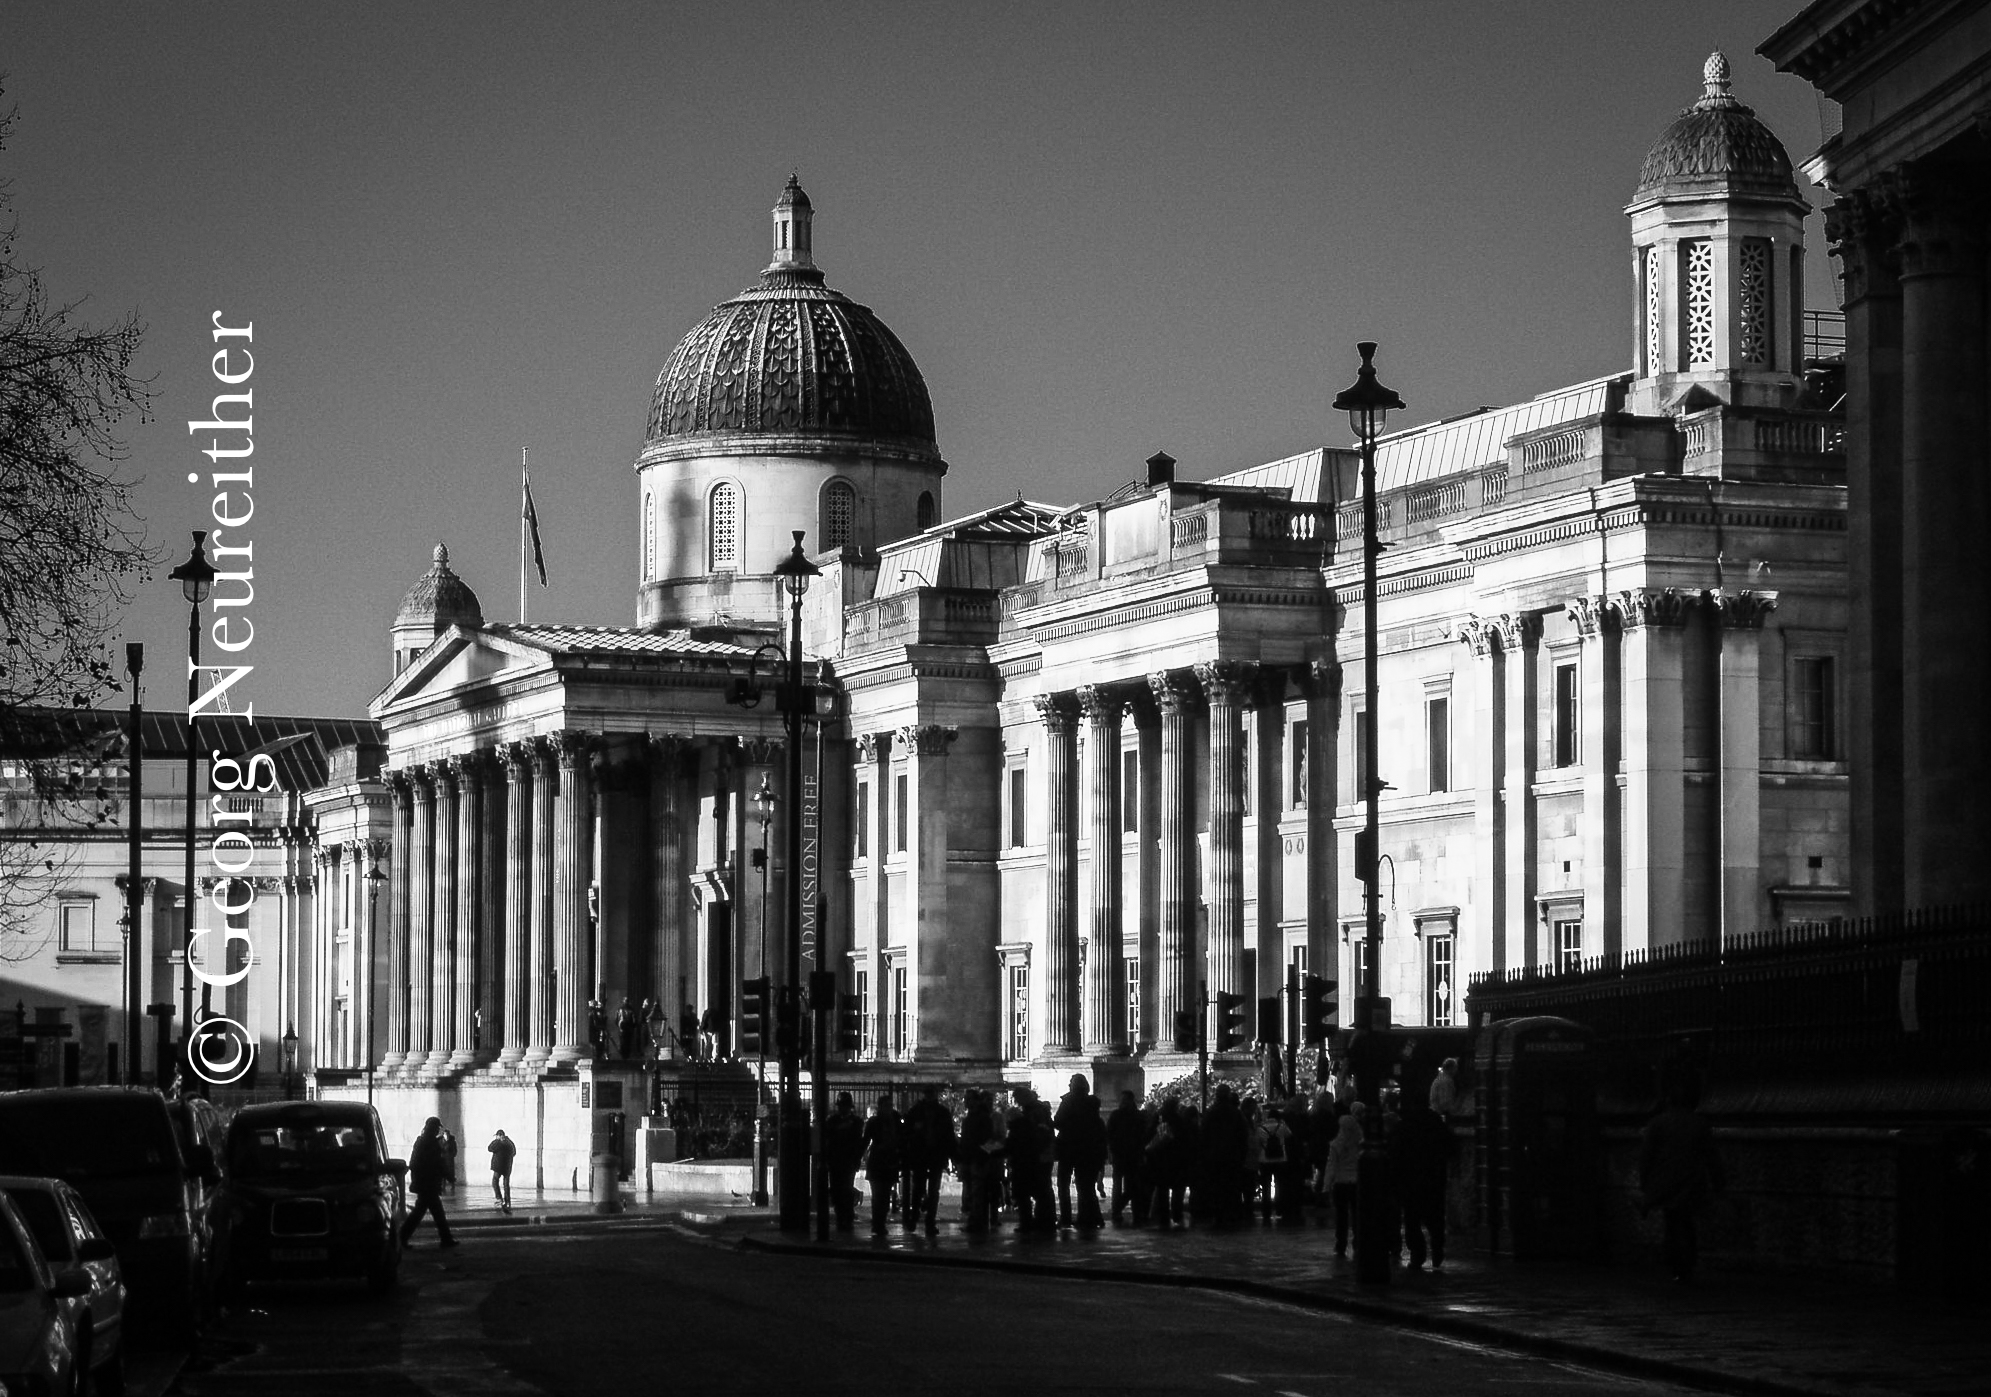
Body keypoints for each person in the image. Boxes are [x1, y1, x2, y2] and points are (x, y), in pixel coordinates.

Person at [1640, 1081, 1724, 1282]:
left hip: (1666, 1181)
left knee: (1672, 1221)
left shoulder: (1658, 1124)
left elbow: (1647, 1157)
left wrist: (1646, 1183)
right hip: (1692, 1180)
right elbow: (1712, 1157)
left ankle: (1676, 1263)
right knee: (1686, 1221)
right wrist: (1719, 1182)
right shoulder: (1700, 1124)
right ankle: (1687, 1263)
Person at [1392, 1098, 1449, 1271]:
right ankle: (1437, 1249)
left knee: (1412, 1218)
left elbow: (1397, 1152)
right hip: (1434, 1176)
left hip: (1411, 1178)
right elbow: (1448, 1146)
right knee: (1435, 1217)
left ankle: (1418, 1253)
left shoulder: (1405, 1125)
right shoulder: (1436, 1122)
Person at [1052, 1073, 1105, 1229]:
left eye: (1070, 1083)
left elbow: (1058, 1122)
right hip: (1087, 1150)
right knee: (1086, 1186)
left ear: (1074, 1086)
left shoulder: (1068, 1102)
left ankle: (1067, 1218)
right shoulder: (1092, 1105)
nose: (1068, 1085)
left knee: (1063, 1185)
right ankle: (1091, 1217)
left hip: (1068, 1148)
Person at [902, 1084, 956, 1233]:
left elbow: (948, 1136)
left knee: (929, 1190)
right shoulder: (924, 1112)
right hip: (924, 1154)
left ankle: (925, 1220)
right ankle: (920, 1219)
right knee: (922, 1188)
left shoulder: (936, 1112)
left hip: (931, 1155)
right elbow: (907, 1132)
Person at [401, 1117, 458, 1247]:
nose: (438, 1130)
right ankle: (446, 1239)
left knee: (427, 1213)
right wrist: (449, 1176)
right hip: (428, 1184)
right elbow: (437, 1164)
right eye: (437, 1127)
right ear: (433, 1128)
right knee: (432, 1213)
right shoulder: (430, 1143)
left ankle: (446, 1239)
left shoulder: (422, 1141)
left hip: (424, 1183)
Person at [1326, 1100, 1366, 1257]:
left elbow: (1331, 1165)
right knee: (1357, 1214)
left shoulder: (1336, 1144)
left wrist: (1326, 1185)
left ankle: (1341, 1243)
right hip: (1356, 1180)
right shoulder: (1361, 1140)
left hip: (1341, 1182)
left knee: (1341, 1216)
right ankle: (1358, 1241)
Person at [860, 1092, 904, 1236]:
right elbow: (866, 1141)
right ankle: (878, 1223)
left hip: (886, 1161)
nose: (889, 1108)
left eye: (890, 1106)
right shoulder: (880, 1122)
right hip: (880, 1161)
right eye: (887, 1106)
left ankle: (879, 1222)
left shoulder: (893, 1121)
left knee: (882, 1195)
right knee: (879, 1194)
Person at [823, 1092, 864, 1232]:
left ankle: (846, 1215)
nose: (843, 1109)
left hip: (848, 1160)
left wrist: (857, 1158)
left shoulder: (855, 1122)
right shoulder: (832, 1121)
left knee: (846, 1188)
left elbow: (857, 1141)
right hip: (836, 1160)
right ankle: (841, 1215)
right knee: (836, 1189)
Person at [1106, 1089, 1148, 1225]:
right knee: (1128, 1186)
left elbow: (1110, 1135)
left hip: (1128, 1154)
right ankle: (1126, 1212)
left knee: (1129, 1186)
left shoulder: (1120, 1115)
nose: (1122, 1103)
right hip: (1126, 1154)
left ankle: (1118, 1210)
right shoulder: (1135, 1115)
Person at [488, 1128, 516, 1212]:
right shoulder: (510, 1143)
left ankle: (499, 1198)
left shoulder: (498, 1143)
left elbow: (489, 1148)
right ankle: (507, 1201)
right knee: (506, 1184)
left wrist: (496, 1140)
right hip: (507, 1167)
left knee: (494, 1181)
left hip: (498, 1167)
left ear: (499, 1136)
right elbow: (514, 1152)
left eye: (496, 1136)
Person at [1429, 1057, 1462, 1121]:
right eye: (1456, 1068)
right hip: (1440, 1117)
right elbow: (1445, 1103)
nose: (1457, 1070)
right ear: (1451, 1068)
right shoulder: (1446, 1081)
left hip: (1437, 1115)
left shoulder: (1440, 1079)